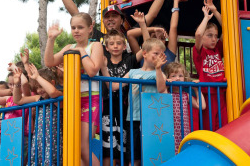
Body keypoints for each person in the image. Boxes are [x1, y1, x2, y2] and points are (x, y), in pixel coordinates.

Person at [44, 0, 178, 51]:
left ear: (122, 19)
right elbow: (76, 14)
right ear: (103, 21)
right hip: (106, 90)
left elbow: (151, 15)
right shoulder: (97, 36)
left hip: (129, 89)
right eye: (107, 17)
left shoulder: (130, 34)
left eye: (114, 16)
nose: (110, 19)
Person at [44, 12, 103, 166]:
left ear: (90, 28)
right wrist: (51, 39)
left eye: (80, 27)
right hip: (73, 100)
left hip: (91, 98)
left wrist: (82, 52)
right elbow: (49, 62)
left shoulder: (95, 45)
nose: (76, 30)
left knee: (83, 146)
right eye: (73, 28)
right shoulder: (69, 47)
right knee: (75, 147)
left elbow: (92, 71)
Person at [109, 38, 168, 166]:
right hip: (133, 118)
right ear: (145, 53)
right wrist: (103, 67)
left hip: (151, 119)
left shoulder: (159, 73)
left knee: (150, 154)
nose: (159, 57)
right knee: (133, 157)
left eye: (161, 54)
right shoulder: (132, 72)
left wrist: (158, 69)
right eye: (156, 53)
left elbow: (162, 88)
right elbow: (114, 86)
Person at [99, 11, 148, 165]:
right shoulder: (103, 59)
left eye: (119, 43)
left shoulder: (129, 60)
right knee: (108, 148)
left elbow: (146, 47)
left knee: (123, 147)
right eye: (112, 44)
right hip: (107, 107)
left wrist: (142, 24)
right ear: (106, 47)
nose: (115, 46)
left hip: (126, 108)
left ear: (124, 45)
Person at [13, 64, 63, 165]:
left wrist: (38, 77)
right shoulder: (38, 98)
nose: (39, 90)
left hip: (54, 140)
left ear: (52, 83)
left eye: (41, 86)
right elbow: (18, 100)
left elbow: (52, 92)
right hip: (39, 139)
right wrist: (17, 84)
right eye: (37, 87)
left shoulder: (59, 96)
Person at [193, 0, 227, 131]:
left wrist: (215, 10)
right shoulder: (200, 52)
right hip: (207, 94)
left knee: (224, 126)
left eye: (215, 36)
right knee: (210, 127)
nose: (214, 39)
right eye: (210, 35)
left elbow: (228, 27)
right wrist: (206, 18)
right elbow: (198, 34)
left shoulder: (217, 49)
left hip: (221, 94)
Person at [127, 0, 188, 70]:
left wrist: (176, 2)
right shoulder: (144, 52)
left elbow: (173, 27)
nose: (158, 40)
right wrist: (153, 29)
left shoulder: (169, 52)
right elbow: (130, 34)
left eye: (162, 38)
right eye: (154, 37)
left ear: (165, 42)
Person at [164, 62, 206, 154]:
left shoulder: (185, 95)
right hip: (170, 128)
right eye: (173, 76)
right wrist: (165, 84)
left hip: (184, 129)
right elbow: (161, 93)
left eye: (180, 75)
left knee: (182, 150)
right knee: (171, 150)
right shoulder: (166, 93)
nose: (178, 78)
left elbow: (202, 106)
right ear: (168, 77)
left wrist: (196, 89)